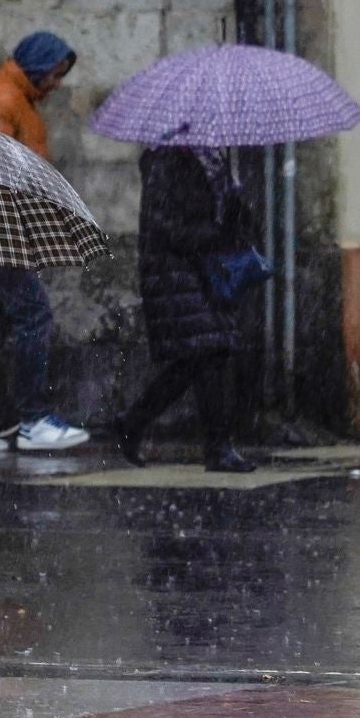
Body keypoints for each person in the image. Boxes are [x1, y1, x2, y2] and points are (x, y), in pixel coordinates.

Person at [0, 29, 90, 454]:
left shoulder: (17, 99)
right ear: (35, 66)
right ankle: (33, 419)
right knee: (33, 315)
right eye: (54, 74)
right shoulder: (1, 99)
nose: (57, 83)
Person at [108, 145, 257, 474]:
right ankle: (217, 448)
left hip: (199, 268)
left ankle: (133, 421)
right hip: (173, 271)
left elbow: (215, 218)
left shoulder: (213, 159)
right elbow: (166, 227)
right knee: (207, 351)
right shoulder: (168, 159)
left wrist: (234, 210)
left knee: (199, 356)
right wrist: (216, 232)